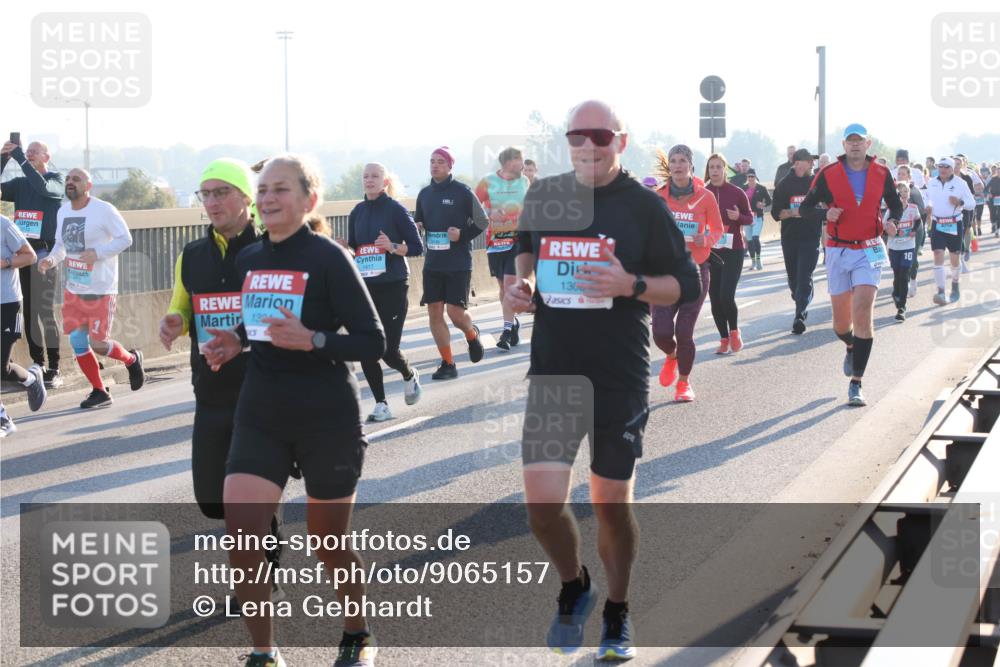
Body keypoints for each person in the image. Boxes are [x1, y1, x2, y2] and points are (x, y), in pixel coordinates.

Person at [504, 100, 700, 661]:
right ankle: (575, 585)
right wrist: (520, 289)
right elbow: (525, 249)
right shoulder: (545, 195)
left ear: (621, 140)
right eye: (577, 136)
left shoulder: (643, 207)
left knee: (611, 501)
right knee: (541, 506)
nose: (588, 145)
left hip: (618, 374)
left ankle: (618, 609)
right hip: (555, 369)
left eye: (600, 136)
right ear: (568, 142)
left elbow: (685, 286)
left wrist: (629, 284)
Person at [202, 155, 385, 667]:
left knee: (328, 542)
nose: (266, 199)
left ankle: (357, 632)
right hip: (262, 411)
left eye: (280, 189)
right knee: (242, 532)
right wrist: (236, 340)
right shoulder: (249, 260)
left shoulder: (329, 259)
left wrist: (315, 340)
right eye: (262, 190)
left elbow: (374, 341)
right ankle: (264, 652)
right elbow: (259, 325)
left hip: (326, 415)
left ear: (309, 199)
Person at [159, 159, 292, 592]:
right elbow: (182, 303)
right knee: (212, 500)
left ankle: (255, 578)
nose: (212, 202)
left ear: (246, 199)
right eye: (206, 194)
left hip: (262, 389)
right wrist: (174, 321)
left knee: (244, 496)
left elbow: (283, 320)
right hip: (211, 389)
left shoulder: (270, 251)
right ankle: (266, 540)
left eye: (221, 192)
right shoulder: (192, 254)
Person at [799, 123, 903, 407]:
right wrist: (825, 211)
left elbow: (896, 204)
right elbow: (805, 208)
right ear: (844, 145)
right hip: (837, 249)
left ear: (868, 144)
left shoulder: (881, 173)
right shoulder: (828, 173)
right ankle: (849, 345)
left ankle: (856, 382)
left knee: (863, 311)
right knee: (841, 323)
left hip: (869, 248)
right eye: (850, 141)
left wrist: (892, 221)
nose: (855, 145)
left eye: (860, 141)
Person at [37, 168, 145, 408]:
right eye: (67, 179)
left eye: (76, 179)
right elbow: (61, 245)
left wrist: (98, 253)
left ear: (89, 185)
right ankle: (99, 391)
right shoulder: (63, 211)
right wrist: (50, 260)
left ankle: (131, 359)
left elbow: (125, 238)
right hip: (75, 288)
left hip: (101, 288)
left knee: (98, 344)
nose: (70, 182)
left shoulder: (104, 210)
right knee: (77, 342)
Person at [347, 162, 424, 420]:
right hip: (365, 287)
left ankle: (408, 374)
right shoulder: (356, 212)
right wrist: (344, 248)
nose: (369, 180)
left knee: (388, 350)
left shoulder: (396, 210)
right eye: (366, 176)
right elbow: (356, 249)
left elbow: (416, 247)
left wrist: (391, 245)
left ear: (385, 181)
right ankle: (381, 404)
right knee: (367, 346)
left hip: (393, 284)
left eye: (375, 176)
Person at [652, 144, 723, 401]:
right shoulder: (659, 197)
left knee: (684, 331)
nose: (678, 165)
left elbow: (717, 230)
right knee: (660, 332)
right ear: (669, 166)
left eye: (683, 161)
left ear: (691, 166)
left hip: (695, 271)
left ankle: (684, 382)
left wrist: (706, 238)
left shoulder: (706, 197)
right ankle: (671, 356)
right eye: (674, 161)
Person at [415, 147, 488, 380]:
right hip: (433, 263)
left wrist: (463, 235)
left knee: (456, 314)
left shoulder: (462, 192)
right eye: (431, 161)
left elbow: (482, 220)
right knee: (434, 313)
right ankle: (448, 363)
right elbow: (419, 222)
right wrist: (417, 228)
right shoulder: (424, 194)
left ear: (449, 166)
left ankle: (471, 335)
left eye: (439, 162)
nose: (434, 165)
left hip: (458, 263)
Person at [1, 139, 64, 387]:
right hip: (22, 255)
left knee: (44, 311)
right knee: (27, 312)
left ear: (46, 157)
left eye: (34, 152)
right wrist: (4, 158)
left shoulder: (57, 180)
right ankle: (38, 362)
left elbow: (43, 189)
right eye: (27, 152)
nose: (28, 155)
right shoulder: (19, 184)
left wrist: (21, 160)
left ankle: (55, 367)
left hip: (44, 255)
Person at [475, 147, 529, 351]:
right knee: (502, 288)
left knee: (508, 286)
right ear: (506, 163)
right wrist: (489, 213)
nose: (522, 165)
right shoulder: (488, 181)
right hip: (496, 243)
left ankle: (506, 331)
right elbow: (472, 205)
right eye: (519, 162)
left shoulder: (524, 181)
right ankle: (512, 322)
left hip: (518, 241)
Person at [1, 214, 47, 437]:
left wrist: (6, 262)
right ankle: (3, 418)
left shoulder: (4, 224)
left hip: (7, 304)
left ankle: (31, 379)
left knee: (2, 368)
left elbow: (29, 256)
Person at [772, 148, 824, 334]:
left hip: (811, 237)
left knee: (803, 277)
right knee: (794, 281)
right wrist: (793, 212)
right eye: (807, 161)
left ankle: (800, 315)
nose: (811, 165)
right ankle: (801, 299)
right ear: (797, 163)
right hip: (790, 238)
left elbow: (826, 206)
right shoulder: (785, 184)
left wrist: (814, 211)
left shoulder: (815, 183)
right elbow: (776, 213)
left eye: (811, 162)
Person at [705, 154, 753, 353]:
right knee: (714, 296)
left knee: (726, 295)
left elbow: (749, 218)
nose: (715, 171)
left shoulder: (736, 192)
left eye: (718, 167)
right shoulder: (702, 193)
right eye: (711, 167)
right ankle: (723, 339)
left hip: (733, 250)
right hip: (711, 251)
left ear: (725, 170)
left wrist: (738, 217)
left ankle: (734, 331)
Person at [924, 157, 974, 306]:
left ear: (952, 169)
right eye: (941, 166)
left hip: (954, 224)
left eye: (946, 167)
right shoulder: (932, 183)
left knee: (954, 258)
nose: (943, 169)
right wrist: (928, 206)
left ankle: (955, 284)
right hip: (937, 223)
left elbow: (971, 204)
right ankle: (940, 290)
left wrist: (960, 203)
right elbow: (927, 198)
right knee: (938, 254)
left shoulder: (961, 183)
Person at [885, 181, 920, 321]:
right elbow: (884, 226)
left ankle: (902, 308)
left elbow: (918, 221)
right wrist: (890, 230)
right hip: (894, 247)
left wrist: (913, 231)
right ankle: (896, 293)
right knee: (897, 274)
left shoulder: (913, 208)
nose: (904, 195)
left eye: (906, 192)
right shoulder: (891, 210)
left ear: (909, 194)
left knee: (904, 274)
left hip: (908, 246)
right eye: (901, 192)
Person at [894, 165, 926, 298]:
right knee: (897, 258)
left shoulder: (914, 191)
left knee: (911, 258)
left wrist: (915, 229)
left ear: (909, 176)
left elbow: (922, 211)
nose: (901, 176)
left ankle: (912, 280)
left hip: (914, 230)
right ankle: (902, 281)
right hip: (899, 231)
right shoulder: (893, 192)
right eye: (899, 174)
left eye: (903, 174)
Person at [743, 169, 771, 271]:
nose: (750, 178)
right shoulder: (743, 188)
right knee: (749, 240)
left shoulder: (761, 188)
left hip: (758, 217)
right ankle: (753, 262)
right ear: (747, 178)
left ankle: (759, 260)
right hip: (747, 218)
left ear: (755, 177)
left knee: (755, 238)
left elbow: (769, 201)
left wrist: (763, 204)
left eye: (752, 176)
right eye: (749, 176)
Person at [987, 163, 1000, 237]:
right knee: (994, 214)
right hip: (993, 199)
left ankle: (997, 230)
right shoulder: (993, 179)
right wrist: (989, 193)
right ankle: (995, 227)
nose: (999, 173)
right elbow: (986, 189)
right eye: (998, 172)